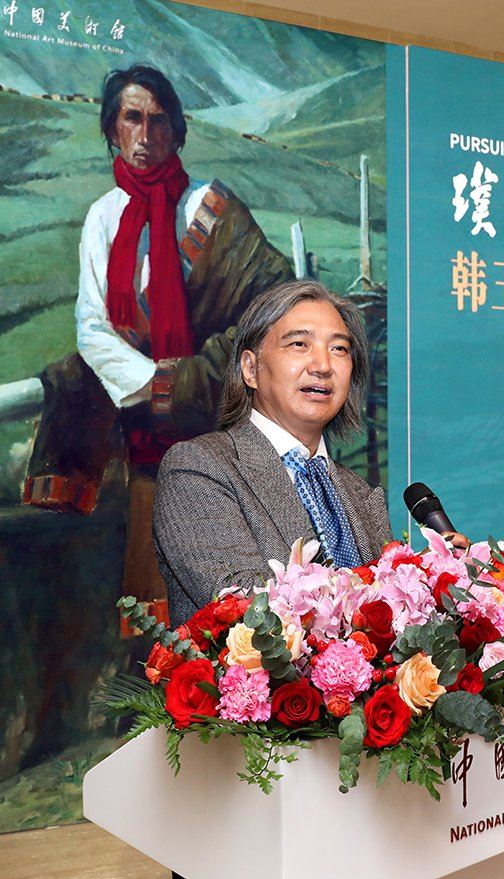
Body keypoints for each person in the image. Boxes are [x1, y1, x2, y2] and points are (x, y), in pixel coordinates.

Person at [152, 278, 392, 879]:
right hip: (244, 777)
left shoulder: (361, 494)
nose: (323, 364)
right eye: (299, 344)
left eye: (340, 349)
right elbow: (247, 608)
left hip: (354, 776)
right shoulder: (200, 467)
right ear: (251, 368)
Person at [24, 63, 292, 631]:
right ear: (112, 129)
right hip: (141, 401)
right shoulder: (103, 217)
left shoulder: (210, 207)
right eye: (132, 119)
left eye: (158, 120)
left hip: (209, 400)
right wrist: (156, 384)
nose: (145, 135)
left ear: (176, 131)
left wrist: (190, 380)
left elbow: (269, 301)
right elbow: (92, 327)